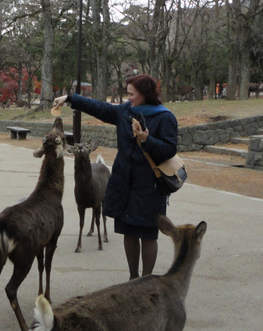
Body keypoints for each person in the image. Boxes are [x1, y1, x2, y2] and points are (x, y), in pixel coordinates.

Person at [53, 74, 178, 279]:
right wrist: (69, 98)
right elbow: (98, 108)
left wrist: (147, 140)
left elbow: (170, 149)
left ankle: (146, 281)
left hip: (150, 186)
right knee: (129, 230)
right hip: (124, 183)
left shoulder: (165, 117)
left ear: (145, 94)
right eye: (127, 93)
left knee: (147, 233)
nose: (128, 98)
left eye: (131, 94)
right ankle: (133, 277)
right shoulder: (125, 112)